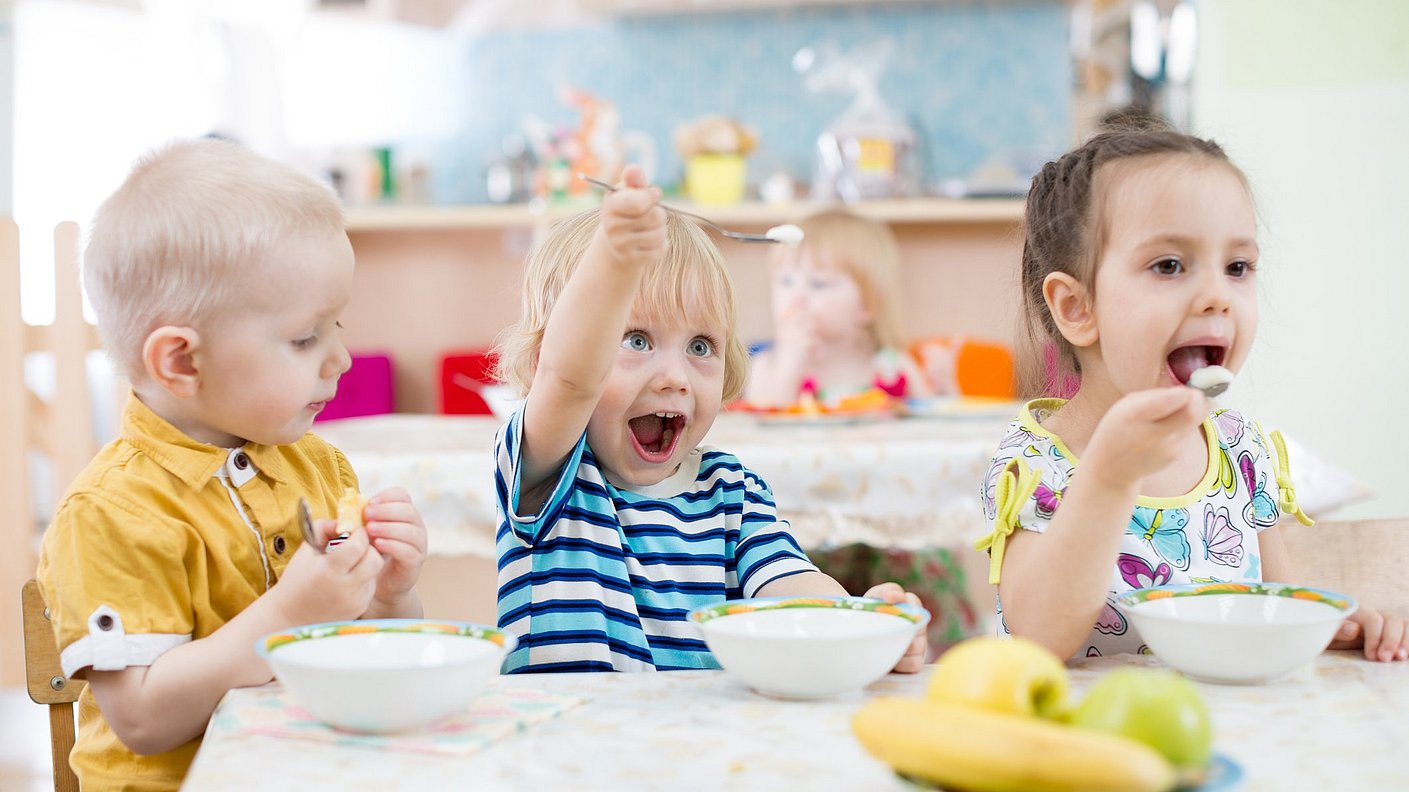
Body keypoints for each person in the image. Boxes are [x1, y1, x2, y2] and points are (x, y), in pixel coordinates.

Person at [35, 139, 429, 791]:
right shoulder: (111, 513)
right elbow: (141, 718)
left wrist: (390, 591)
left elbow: (372, 649)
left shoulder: (320, 469)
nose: (342, 358)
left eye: (337, 324)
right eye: (306, 337)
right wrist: (286, 614)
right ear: (183, 362)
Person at [975, 127, 1409, 662]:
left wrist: (1330, 627)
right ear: (1076, 308)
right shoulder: (1037, 465)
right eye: (1169, 266)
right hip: (1078, 736)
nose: (1216, 296)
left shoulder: (1239, 450)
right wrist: (1109, 476)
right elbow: (1038, 640)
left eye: (1237, 268)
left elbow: (1275, 606)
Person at [491, 167, 926, 673]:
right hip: (560, 747)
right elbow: (569, 379)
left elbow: (788, 584)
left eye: (701, 346)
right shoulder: (547, 470)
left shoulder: (732, 490)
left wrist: (860, 623)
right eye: (636, 340)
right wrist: (614, 260)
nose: (675, 377)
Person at [744, 209, 940, 408]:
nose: (797, 296)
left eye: (818, 283)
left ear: (867, 305)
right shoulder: (766, 366)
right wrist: (790, 361)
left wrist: (946, 386)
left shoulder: (893, 367)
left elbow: (934, 425)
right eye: (785, 281)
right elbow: (764, 420)